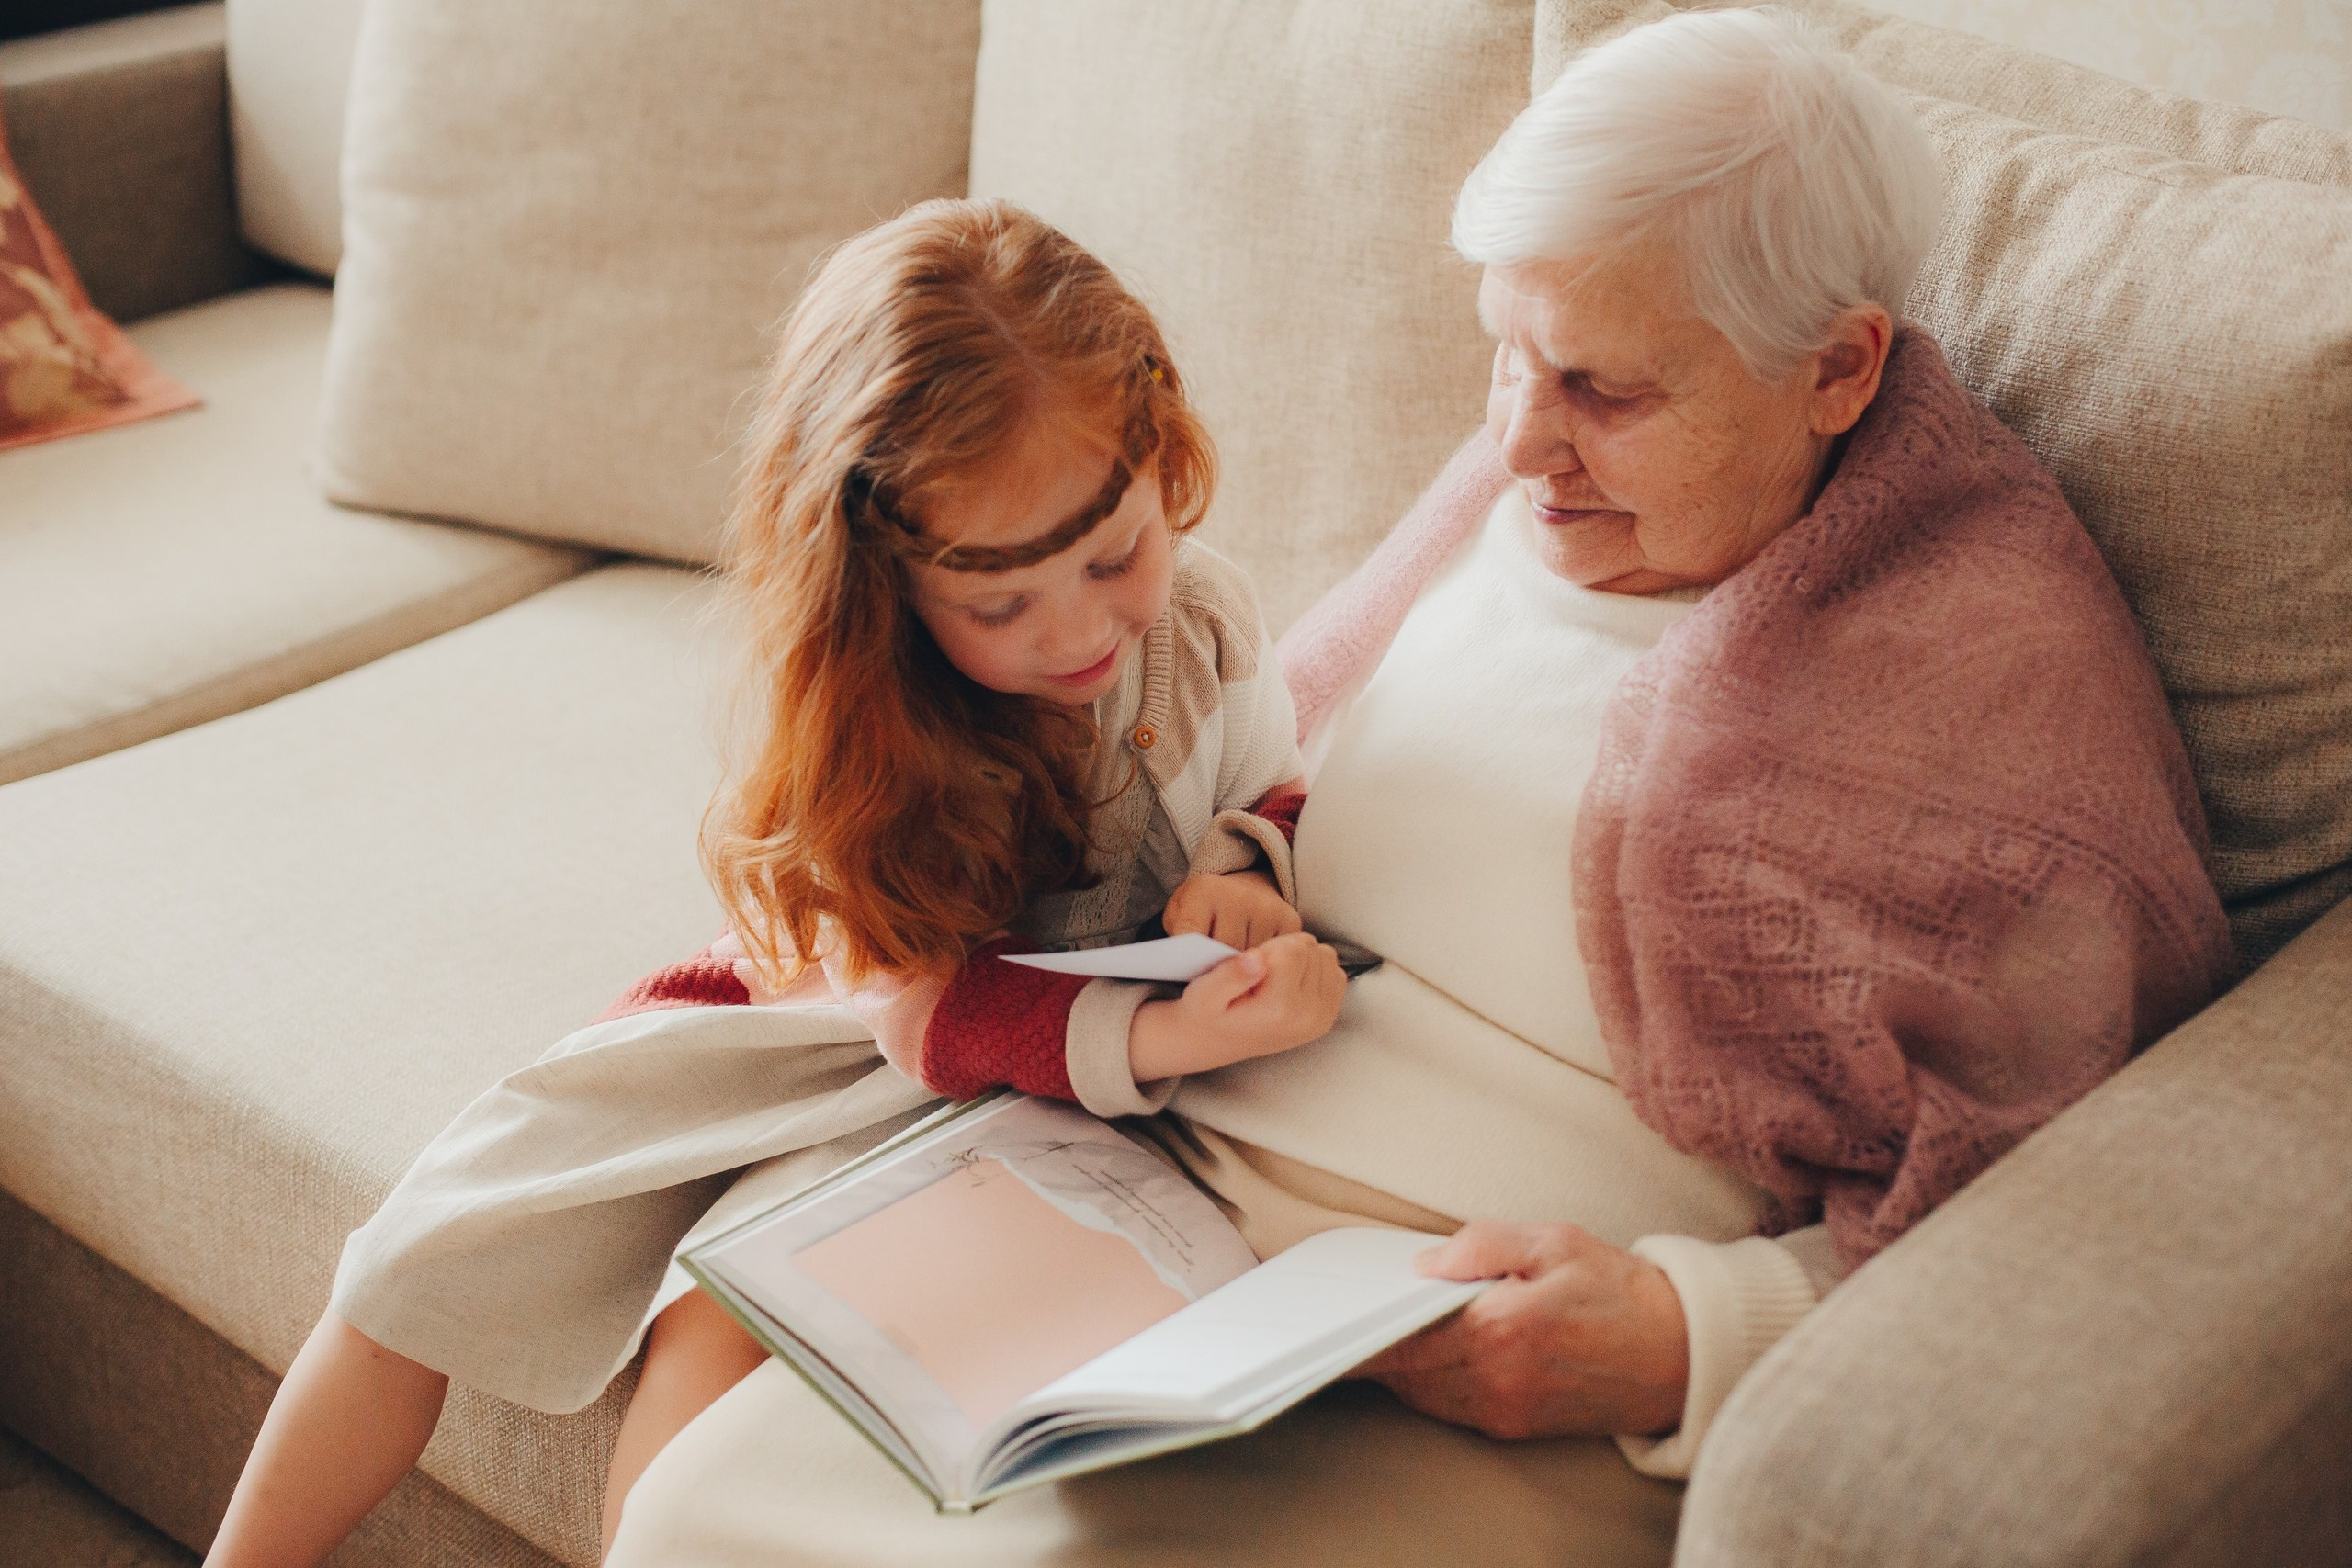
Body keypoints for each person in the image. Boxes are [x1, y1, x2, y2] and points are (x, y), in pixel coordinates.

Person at [598, 12, 2234, 1565]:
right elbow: (1276, 758)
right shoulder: (1540, 486)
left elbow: (2077, 1184)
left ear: (1839, 368)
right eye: (1505, 356)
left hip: (1459, 1345)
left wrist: (1685, 1335)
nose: (1521, 444)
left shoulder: (1988, 678)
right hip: (1158, 1213)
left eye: (1607, 387)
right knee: (702, 1512)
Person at [203, 197, 1348, 1567]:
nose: (1085, 625)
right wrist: (1159, 1032)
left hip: (1024, 1102)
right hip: (831, 1033)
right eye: (1002, 606)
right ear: (888, 589)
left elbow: (1268, 775)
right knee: (421, 1253)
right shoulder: (871, 724)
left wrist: (1243, 869)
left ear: (1164, 460)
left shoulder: (1202, 615)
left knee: (732, 1318)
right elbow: (915, 1014)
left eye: (1115, 557)